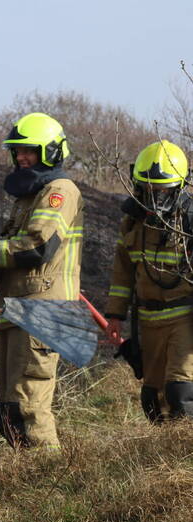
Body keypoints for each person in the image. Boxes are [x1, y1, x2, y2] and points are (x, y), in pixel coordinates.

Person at [0, 112, 84, 451]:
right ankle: (28, 476)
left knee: (28, 410)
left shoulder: (59, 191)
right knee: (10, 412)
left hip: (43, 311)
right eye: (18, 151)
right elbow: (14, 258)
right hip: (20, 307)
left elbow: (37, 248)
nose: (21, 157)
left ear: (51, 152)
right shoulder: (28, 197)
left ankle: (50, 477)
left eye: (30, 151)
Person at [105, 140, 193, 419]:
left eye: (163, 190)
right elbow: (123, 272)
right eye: (149, 188)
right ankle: (163, 447)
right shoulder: (133, 222)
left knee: (181, 392)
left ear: (179, 187)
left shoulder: (189, 220)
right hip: (148, 320)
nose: (155, 196)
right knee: (153, 399)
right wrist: (115, 315)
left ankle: (186, 445)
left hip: (184, 318)